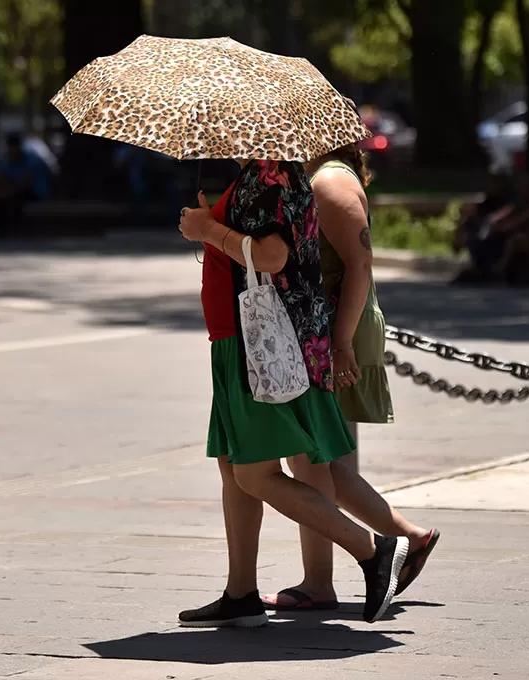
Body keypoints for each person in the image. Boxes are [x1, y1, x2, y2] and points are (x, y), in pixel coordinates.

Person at [176, 159, 412, 628]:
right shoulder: (256, 175)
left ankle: (375, 550)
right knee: (233, 466)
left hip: (260, 344)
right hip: (236, 338)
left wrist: (208, 231)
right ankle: (240, 592)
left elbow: (270, 257)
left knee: (254, 475)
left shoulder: (272, 174)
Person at [259, 144, 439, 612]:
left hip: (338, 335)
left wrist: (339, 345)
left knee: (312, 460)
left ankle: (330, 577)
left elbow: (359, 267)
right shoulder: (324, 178)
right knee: (317, 461)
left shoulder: (329, 182)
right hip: (332, 333)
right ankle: (405, 539)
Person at [0, 133, 52, 236]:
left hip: (35, 192)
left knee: (12, 199)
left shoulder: (32, 159)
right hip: (15, 191)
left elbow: (26, 182)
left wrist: (9, 190)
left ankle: (14, 229)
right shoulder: (8, 161)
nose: (12, 150)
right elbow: (3, 178)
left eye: (14, 148)